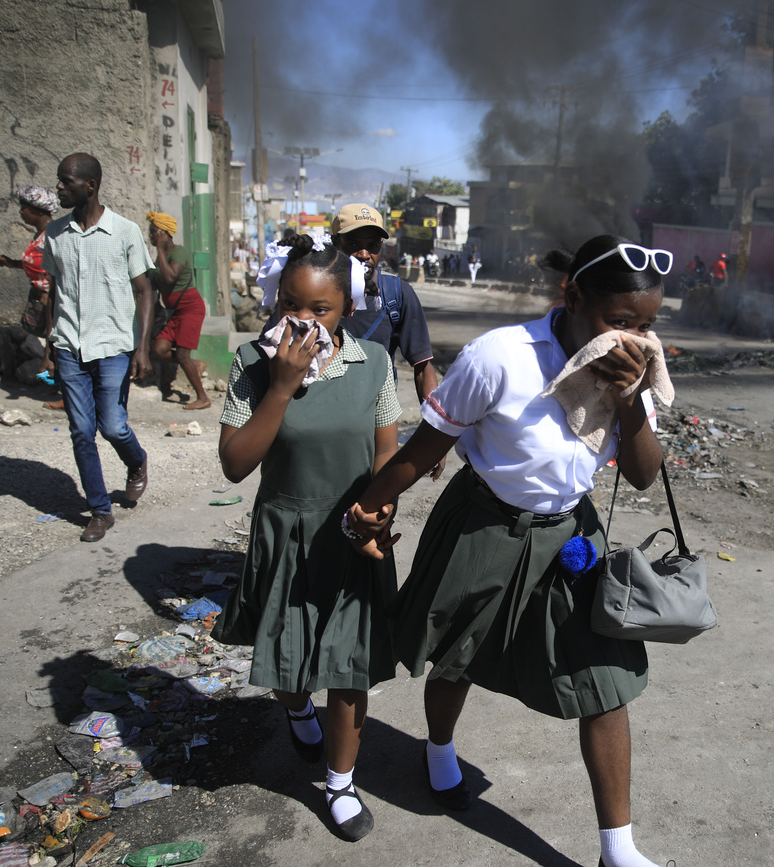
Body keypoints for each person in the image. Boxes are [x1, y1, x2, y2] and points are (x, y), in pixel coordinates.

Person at [347, 234, 675, 867]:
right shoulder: (502, 355)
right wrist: (368, 505)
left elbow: (642, 474)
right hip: (485, 526)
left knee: (605, 683)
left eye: (646, 325)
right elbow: (427, 447)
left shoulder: (627, 375)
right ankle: (438, 749)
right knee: (456, 654)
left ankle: (619, 850)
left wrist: (631, 398)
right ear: (572, 295)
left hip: (571, 538)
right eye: (618, 321)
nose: (632, 339)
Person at [212, 235, 400, 842]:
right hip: (285, 529)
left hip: (351, 533)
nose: (302, 321)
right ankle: (295, 707)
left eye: (320, 309)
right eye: (290, 306)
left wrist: (378, 514)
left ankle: (341, 784)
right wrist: (281, 387)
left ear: (346, 306)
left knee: (348, 668)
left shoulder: (373, 362)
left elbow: (386, 454)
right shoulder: (251, 362)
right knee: (291, 656)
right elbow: (235, 465)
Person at [41, 153, 154, 543]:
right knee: (81, 431)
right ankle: (100, 512)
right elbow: (53, 292)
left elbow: (144, 291)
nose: (58, 188)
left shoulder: (124, 231)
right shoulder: (55, 235)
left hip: (113, 347)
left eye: (65, 181)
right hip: (70, 344)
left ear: (89, 186)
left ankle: (137, 461)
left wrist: (142, 349)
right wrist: (50, 345)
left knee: (112, 426)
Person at [333, 203, 445, 480]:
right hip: (321, 418)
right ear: (335, 244)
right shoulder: (312, 291)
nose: (364, 254)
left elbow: (422, 368)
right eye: (353, 244)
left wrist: (436, 437)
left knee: (372, 503)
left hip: (375, 423)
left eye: (372, 245)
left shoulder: (397, 294)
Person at [0, 184, 62, 409]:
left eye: (25, 207)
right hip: (40, 297)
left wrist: (49, 295)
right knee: (49, 345)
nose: (21, 212)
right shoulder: (41, 235)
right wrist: (13, 263)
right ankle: (61, 387)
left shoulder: (52, 236)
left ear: (39, 210)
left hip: (50, 299)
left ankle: (68, 396)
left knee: (55, 346)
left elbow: (56, 270)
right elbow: (38, 264)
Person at [146, 211, 211, 410]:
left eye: (152, 232)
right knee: (159, 349)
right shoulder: (163, 258)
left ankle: (203, 398)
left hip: (190, 308)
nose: (150, 236)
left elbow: (170, 277)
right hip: (175, 312)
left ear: (162, 232)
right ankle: (196, 365)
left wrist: (158, 250)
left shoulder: (178, 252)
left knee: (183, 355)